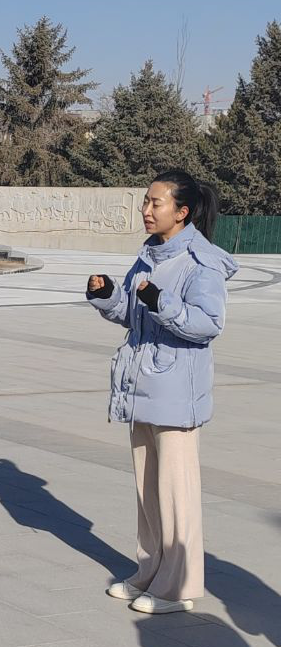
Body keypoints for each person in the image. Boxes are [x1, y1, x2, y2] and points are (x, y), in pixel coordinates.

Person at [87, 169, 237, 615]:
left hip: (175, 391)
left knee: (176, 493)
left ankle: (178, 587)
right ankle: (150, 570)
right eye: (146, 201)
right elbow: (133, 313)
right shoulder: (149, 255)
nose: (146, 210)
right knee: (148, 490)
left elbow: (208, 323)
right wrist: (109, 295)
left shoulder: (201, 261)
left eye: (156, 203)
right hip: (141, 386)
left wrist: (161, 302)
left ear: (182, 211)